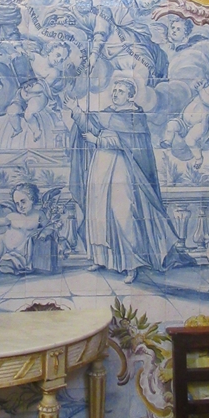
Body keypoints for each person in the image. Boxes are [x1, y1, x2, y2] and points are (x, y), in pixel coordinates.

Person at [66, 78, 177, 283]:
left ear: (130, 96)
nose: (115, 93)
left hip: (121, 169)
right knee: (98, 212)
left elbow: (126, 144)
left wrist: (98, 140)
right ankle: (101, 258)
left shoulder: (135, 118)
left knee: (122, 214)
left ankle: (131, 265)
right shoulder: (107, 113)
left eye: (121, 91)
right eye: (114, 90)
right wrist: (76, 110)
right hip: (100, 166)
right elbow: (90, 127)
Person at [161, 67, 209, 167]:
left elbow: (207, 101)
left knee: (190, 140)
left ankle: (198, 158)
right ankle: (167, 141)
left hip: (199, 125)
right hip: (184, 121)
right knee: (171, 125)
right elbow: (194, 87)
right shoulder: (205, 87)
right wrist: (197, 84)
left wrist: (200, 90)